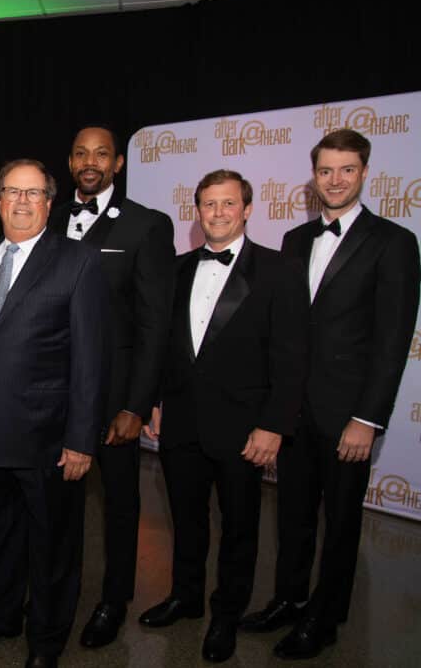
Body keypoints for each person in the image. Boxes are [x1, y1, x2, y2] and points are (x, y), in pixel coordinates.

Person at [240, 129, 421, 660]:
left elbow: (391, 341)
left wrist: (368, 418)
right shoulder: (295, 240)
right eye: (325, 171)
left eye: (346, 170)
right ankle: (289, 600)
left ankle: (326, 617)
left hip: (348, 414)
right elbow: (286, 332)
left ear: (364, 173)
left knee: (340, 523)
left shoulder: (394, 241)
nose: (335, 180)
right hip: (295, 411)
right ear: (313, 177)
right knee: (292, 515)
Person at [138, 170, 309, 663]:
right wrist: (153, 399)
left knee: (240, 528)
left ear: (247, 209)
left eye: (228, 204)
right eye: (208, 205)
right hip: (182, 423)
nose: (217, 213)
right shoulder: (175, 268)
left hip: (245, 427)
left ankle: (226, 614)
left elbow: (292, 357)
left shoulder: (279, 271)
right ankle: (186, 597)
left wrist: (275, 424)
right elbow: (163, 344)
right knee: (186, 520)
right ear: (198, 211)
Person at [0, 159, 106, 668]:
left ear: (49, 202)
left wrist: (81, 439)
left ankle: (46, 642)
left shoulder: (78, 261)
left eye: (34, 193)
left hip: (49, 441)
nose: (22, 202)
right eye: (12, 192)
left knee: (53, 551)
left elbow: (90, 359)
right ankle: (0, 619)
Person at [48, 125, 175, 648]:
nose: (90, 161)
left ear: (118, 163)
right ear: (71, 160)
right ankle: (59, 592)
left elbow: (154, 324)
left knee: (120, 503)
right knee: (57, 503)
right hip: (53, 394)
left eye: (101, 153)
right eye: (80, 152)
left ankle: (113, 600)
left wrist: (136, 404)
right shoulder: (47, 219)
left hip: (115, 396)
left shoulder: (146, 225)